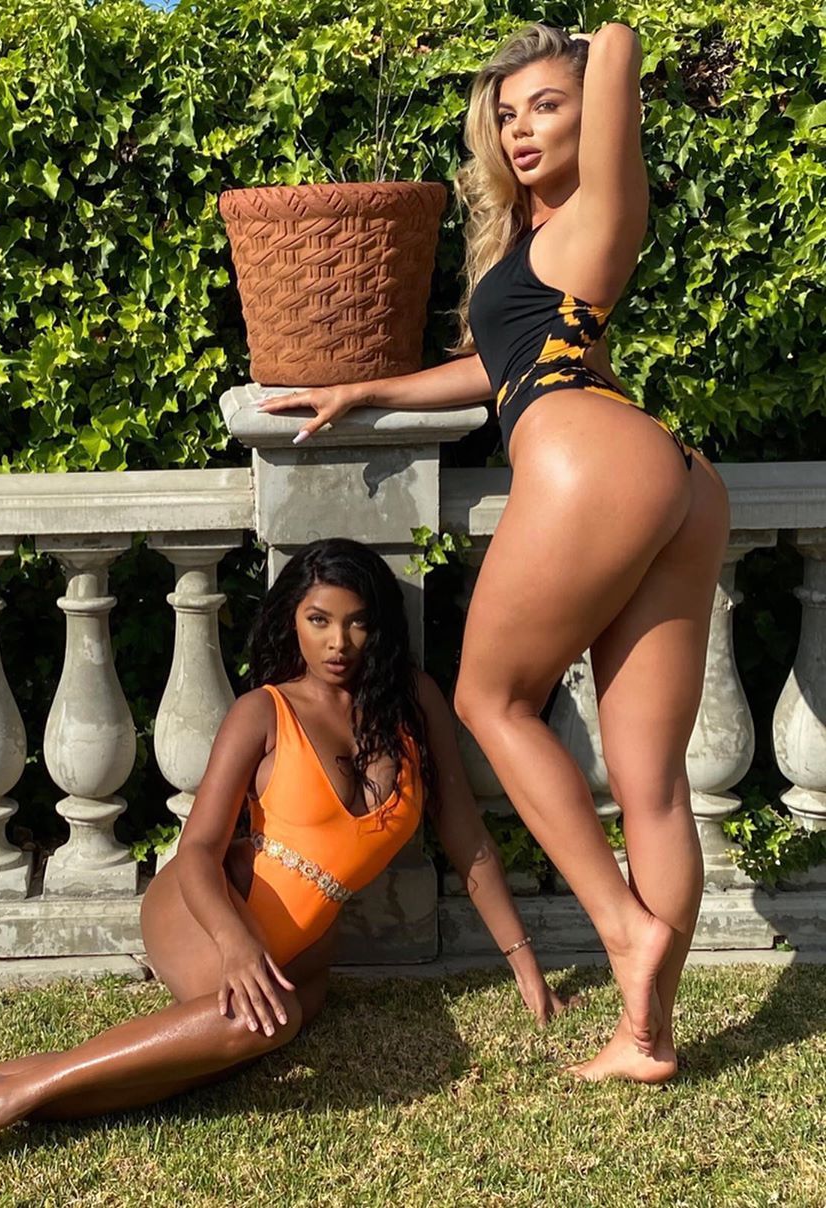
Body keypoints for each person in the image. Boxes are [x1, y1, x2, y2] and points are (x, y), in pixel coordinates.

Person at [0, 537, 568, 1179]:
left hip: (303, 955)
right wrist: (238, 947)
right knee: (255, 1021)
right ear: (292, 619)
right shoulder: (264, 712)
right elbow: (200, 851)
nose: (338, 642)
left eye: (356, 623)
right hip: (204, 912)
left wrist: (523, 963)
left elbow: (466, 837)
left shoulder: (413, 703)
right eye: (319, 619)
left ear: (379, 626)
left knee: (153, 1078)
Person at [258, 24, 730, 1083]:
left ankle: (625, 930)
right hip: (668, 475)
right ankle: (646, 1036)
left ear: (595, 116)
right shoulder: (545, 246)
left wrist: (599, 46)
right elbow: (495, 368)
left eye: (548, 105)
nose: (521, 129)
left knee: (487, 698)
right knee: (651, 784)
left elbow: (621, 46)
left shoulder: (603, 207)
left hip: (589, 453)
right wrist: (367, 388)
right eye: (507, 114)